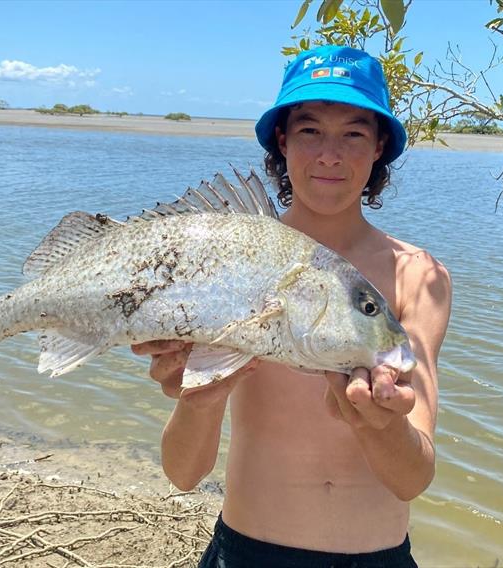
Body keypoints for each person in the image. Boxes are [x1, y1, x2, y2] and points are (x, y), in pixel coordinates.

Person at [132, 45, 452, 567]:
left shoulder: (419, 277)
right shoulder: (226, 262)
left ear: (379, 148)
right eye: (309, 131)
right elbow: (183, 474)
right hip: (245, 550)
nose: (330, 154)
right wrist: (199, 399)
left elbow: (413, 479)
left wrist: (381, 424)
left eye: (353, 133)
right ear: (282, 142)